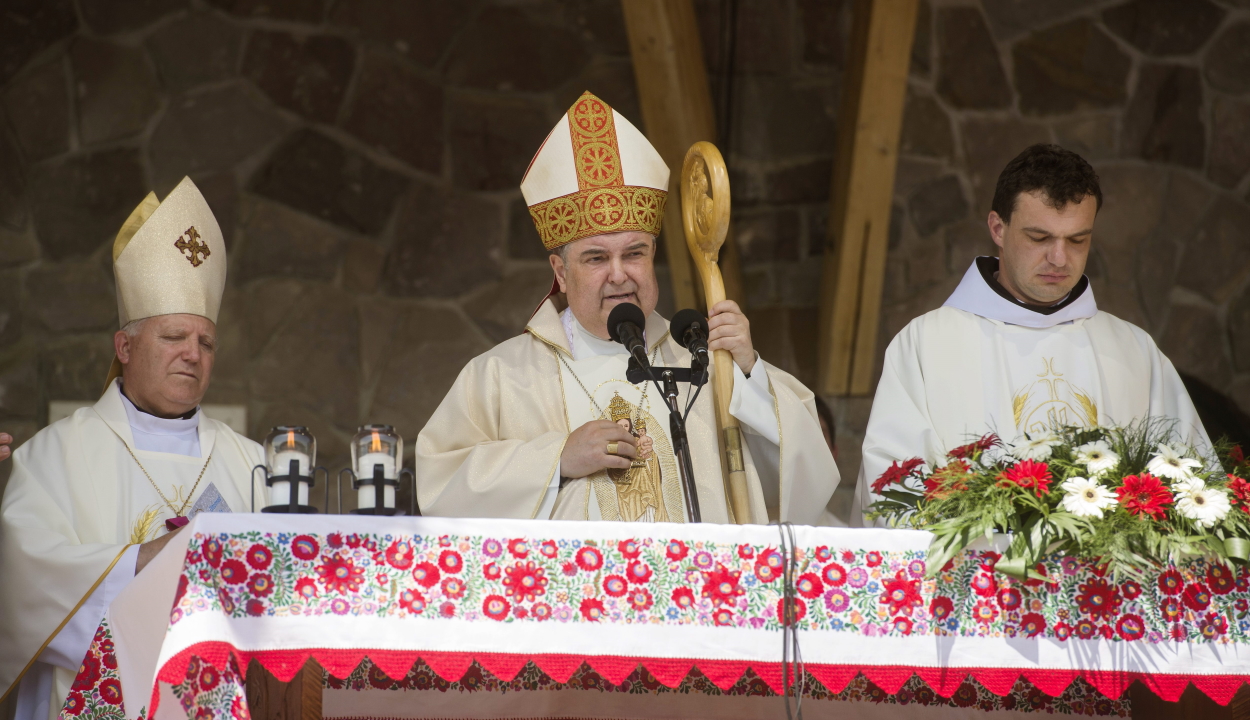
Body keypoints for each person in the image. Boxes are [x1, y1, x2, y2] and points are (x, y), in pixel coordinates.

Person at [416, 91, 839, 525]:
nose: (619, 274)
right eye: (596, 258)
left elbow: (808, 475)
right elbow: (438, 486)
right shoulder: (502, 377)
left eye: (634, 253)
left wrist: (749, 372)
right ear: (561, 273)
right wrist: (556, 459)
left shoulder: (703, 361)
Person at [0, 178, 264, 718]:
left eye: (205, 342)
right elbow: (23, 581)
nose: (192, 354)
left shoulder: (255, 463)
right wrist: (144, 562)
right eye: (173, 337)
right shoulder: (53, 455)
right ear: (124, 347)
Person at [853, 144, 1210, 526]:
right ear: (997, 228)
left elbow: (1197, 490)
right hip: (977, 579)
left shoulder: (1133, 351)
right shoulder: (927, 345)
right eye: (1040, 238)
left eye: (1077, 240)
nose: (1059, 258)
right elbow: (893, 492)